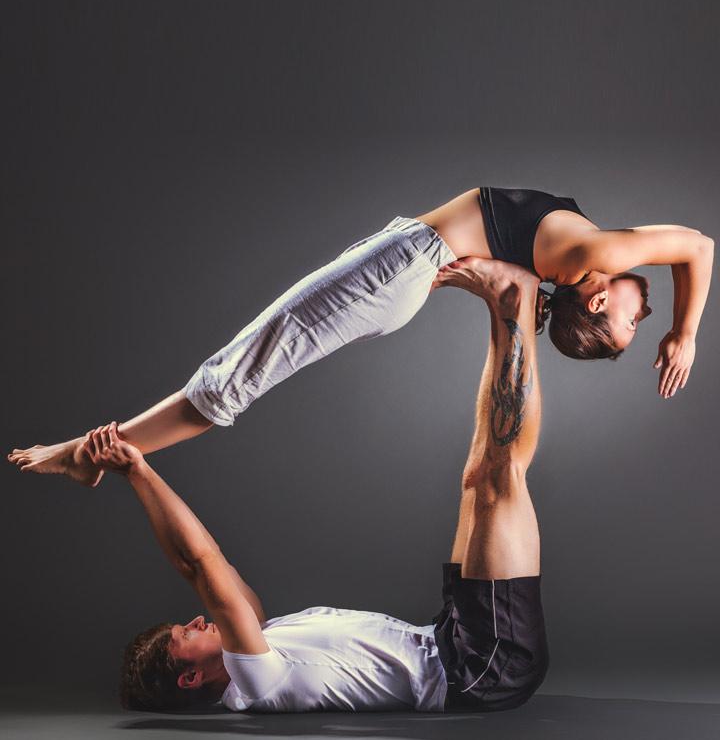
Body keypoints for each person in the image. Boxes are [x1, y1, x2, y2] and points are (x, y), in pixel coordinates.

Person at [66, 258, 548, 713]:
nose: (195, 620)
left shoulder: (263, 636)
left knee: (479, 476)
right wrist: (138, 471)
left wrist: (139, 470)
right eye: (184, 635)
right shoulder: (259, 681)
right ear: (190, 678)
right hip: (480, 669)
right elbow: (198, 564)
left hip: (452, 638)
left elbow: (217, 565)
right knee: (498, 480)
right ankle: (514, 301)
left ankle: (510, 307)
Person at [8, 187, 713, 488]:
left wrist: (683, 330)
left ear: (594, 295)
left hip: (405, 266)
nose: (642, 318)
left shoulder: (596, 254)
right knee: (250, 359)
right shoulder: (583, 258)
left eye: (629, 326)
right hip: (407, 256)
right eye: (639, 323)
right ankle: (96, 451)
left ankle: (89, 451)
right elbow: (697, 247)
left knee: (244, 366)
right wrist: (684, 334)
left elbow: (694, 245)